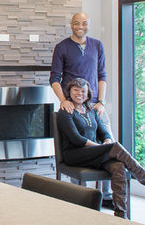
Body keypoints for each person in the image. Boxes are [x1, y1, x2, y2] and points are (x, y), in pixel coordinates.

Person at [57, 78, 145, 219]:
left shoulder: (91, 111)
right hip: (75, 154)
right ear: (69, 92)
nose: (80, 94)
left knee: (118, 166)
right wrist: (103, 147)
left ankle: (121, 216)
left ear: (88, 93)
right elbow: (76, 139)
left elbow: (104, 133)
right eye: (76, 90)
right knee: (114, 148)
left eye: (83, 91)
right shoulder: (65, 111)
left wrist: (107, 141)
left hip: (94, 154)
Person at [49, 11, 114, 208]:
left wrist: (100, 101)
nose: (80, 26)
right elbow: (54, 79)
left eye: (84, 23)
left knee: (108, 142)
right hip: (73, 106)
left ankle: (107, 195)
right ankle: (77, 195)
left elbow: (102, 75)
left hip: (94, 106)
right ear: (71, 25)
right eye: (77, 23)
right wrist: (63, 100)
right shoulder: (62, 47)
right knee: (77, 145)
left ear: (88, 24)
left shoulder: (97, 45)